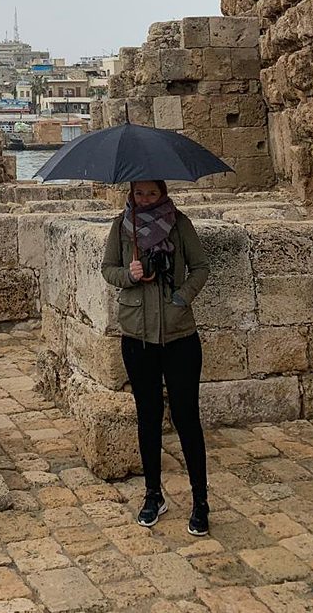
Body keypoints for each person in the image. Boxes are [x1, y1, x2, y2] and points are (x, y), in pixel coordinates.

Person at [101, 178, 210, 535]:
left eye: (151, 192)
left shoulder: (179, 224)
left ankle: (200, 500)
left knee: (186, 418)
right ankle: (152, 495)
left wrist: (182, 298)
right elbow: (108, 270)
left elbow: (201, 268)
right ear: (130, 194)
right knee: (147, 417)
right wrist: (129, 276)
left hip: (179, 335)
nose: (145, 198)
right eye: (139, 192)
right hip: (138, 335)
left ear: (163, 193)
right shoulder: (122, 227)